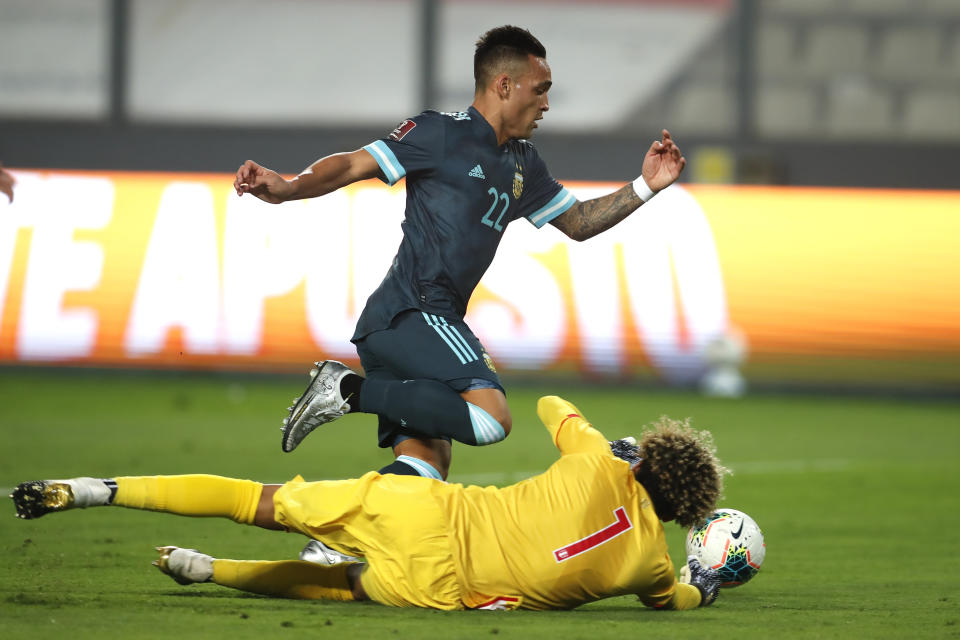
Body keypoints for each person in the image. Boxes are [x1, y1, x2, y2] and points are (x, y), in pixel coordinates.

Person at [233, 25, 687, 481]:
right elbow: (352, 162)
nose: (546, 104)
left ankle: (331, 547)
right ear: (504, 85)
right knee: (491, 420)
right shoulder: (440, 133)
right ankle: (347, 390)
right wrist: (289, 188)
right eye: (540, 90)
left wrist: (647, 185)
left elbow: (580, 223)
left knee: (424, 470)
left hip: (406, 327)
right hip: (415, 310)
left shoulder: (524, 163)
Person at [11, 396, 726, 611]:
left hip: (428, 514)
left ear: (649, 459)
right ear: (680, 509)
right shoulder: (651, 566)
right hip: (449, 590)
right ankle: (210, 573)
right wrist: (706, 584)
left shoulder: (598, 459)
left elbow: (551, 405)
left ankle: (94, 491)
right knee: (340, 587)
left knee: (258, 501)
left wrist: (617, 444)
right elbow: (677, 602)